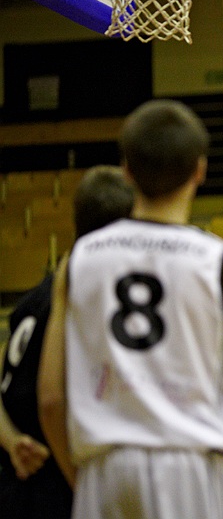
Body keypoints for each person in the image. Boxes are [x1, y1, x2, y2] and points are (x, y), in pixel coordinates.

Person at [37, 99, 223, 519]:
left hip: (106, 469)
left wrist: (85, 480)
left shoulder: (77, 261)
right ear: (200, 171)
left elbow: (50, 399)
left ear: (127, 171)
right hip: (194, 470)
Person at [0, 165, 134, 519]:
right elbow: (51, 402)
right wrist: (81, 485)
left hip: (17, 480)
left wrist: (12, 441)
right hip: (58, 485)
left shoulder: (32, 300)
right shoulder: (85, 300)